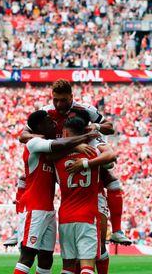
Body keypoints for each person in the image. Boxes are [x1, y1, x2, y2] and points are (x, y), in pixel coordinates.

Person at [21, 79, 130, 245]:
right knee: (25, 178)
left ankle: (116, 230)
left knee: (110, 178)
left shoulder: (85, 109)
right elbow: (23, 136)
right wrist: (42, 140)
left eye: (63, 100)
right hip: (56, 154)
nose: (58, 104)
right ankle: (19, 229)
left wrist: (96, 127)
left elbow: (109, 126)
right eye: (55, 99)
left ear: (71, 97)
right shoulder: (46, 111)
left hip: (79, 154)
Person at [12, 110, 98, 274]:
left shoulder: (52, 150)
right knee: (28, 256)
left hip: (48, 210)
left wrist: (75, 143)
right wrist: (83, 138)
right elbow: (58, 145)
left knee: (46, 258)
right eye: (48, 121)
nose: (53, 123)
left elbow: (56, 152)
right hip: (34, 208)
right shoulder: (34, 143)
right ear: (39, 126)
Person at [54, 117, 116, 274]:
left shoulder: (56, 157)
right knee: (87, 266)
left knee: (67, 267)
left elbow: (48, 156)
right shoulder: (93, 153)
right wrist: (86, 163)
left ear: (66, 132)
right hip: (87, 216)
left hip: (65, 217)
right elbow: (110, 157)